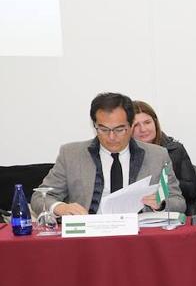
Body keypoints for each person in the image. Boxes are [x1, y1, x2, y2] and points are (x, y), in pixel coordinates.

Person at [38, 92, 185, 216]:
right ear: (95, 125)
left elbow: (178, 201)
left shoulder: (157, 156)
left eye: (119, 129)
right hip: (89, 237)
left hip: (137, 235)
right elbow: (40, 197)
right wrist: (61, 207)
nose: (112, 137)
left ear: (131, 125)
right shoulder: (71, 155)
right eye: (104, 129)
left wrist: (162, 203)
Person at [131, 100, 196, 213]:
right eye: (136, 125)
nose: (143, 129)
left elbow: (192, 190)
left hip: (170, 214)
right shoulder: (123, 155)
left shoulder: (174, 149)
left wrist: (162, 183)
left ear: (155, 122)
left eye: (147, 122)